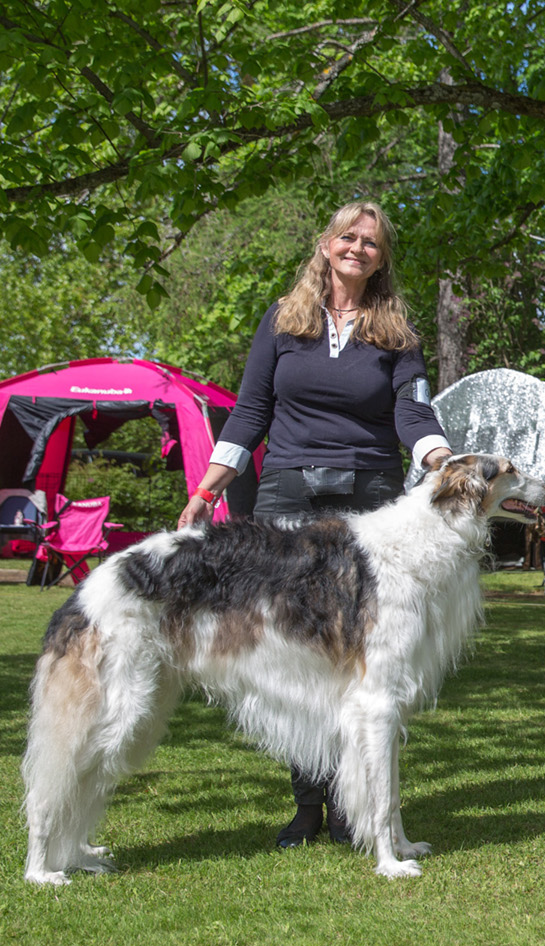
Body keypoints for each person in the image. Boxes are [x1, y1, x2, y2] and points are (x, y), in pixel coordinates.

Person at [178, 200, 453, 850]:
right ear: (327, 244)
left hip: (370, 502)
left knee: (361, 659)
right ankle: (309, 803)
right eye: (348, 237)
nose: (358, 247)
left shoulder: (399, 333)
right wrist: (205, 490)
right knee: (300, 651)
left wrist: (442, 459)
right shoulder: (283, 320)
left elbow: (412, 416)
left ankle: (359, 804)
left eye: (372, 242)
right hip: (288, 497)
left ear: (381, 258)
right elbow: (249, 414)